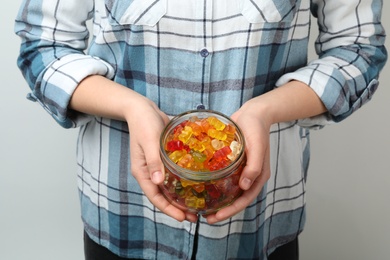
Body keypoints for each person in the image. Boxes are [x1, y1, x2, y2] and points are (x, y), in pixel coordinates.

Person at [15, 0, 386, 259]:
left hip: (262, 218)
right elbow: (43, 46)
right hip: (123, 212)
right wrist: (132, 106)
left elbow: (358, 49)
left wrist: (265, 110)